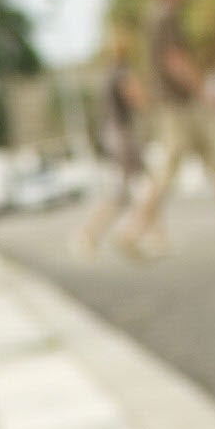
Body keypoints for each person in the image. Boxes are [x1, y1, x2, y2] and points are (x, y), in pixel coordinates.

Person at [122, 0, 215, 253]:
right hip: (179, 107)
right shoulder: (164, 15)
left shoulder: (155, 16)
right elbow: (174, 61)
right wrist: (204, 91)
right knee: (171, 168)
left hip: (179, 105)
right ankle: (133, 230)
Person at [70, 24, 150, 261]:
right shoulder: (122, 73)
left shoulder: (108, 74)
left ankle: (92, 235)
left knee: (125, 192)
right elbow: (138, 100)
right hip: (122, 135)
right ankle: (129, 234)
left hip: (111, 134)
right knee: (147, 186)